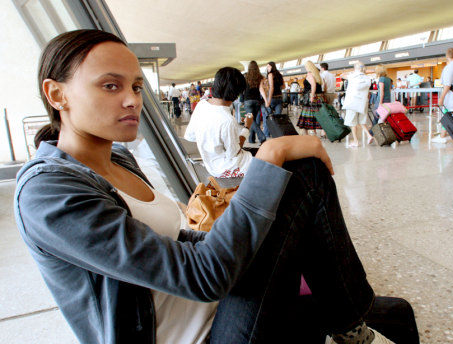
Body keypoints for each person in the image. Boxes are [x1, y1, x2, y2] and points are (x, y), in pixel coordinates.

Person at [15, 29, 403, 344]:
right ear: (57, 94)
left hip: (217, 309)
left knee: (298, 184)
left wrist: (247, 234)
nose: (132, 101)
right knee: (299, 173)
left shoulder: (116, 159)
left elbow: (178, 242)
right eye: (110, 86)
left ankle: (351, 323)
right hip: (201, 330)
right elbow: (204, 277)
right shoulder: (48, 193)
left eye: (135, 86)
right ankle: (353, 324)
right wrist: (265, 163)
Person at [185, 67, 255, 178]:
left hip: (211, 165)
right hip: (227, 168)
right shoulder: (227, 120)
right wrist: (247, 127)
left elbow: (190, 136)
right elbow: (234, 152)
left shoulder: (201, 105)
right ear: (236, 94)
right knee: (275, 159)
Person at [343, 62, 374, 147]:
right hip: (363, 102)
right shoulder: (367, 78)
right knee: (362, 121)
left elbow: (342, 75)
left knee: (353, 123)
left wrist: (350, 72)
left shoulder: (352, 76)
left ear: (355, 68)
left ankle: (356, 141)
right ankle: (369, 135)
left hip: (352, 102)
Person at [297, 61, 325, 136]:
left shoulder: (309, 74)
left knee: (307, 115)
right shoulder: (317, 75)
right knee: (318, 114)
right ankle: (321, 132)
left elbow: (313, 85)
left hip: (311, 96)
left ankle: (308, 133)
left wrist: (312, 97)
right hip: (319, 97)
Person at [243, 60, 268, 144]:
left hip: (247, 101)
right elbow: (263, 88)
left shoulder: (245, 76)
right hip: (257, 101)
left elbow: (242, 89)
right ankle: (251, 139)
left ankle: (261, 136)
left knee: (250, 119)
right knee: (255, 120)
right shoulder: (260, 77)